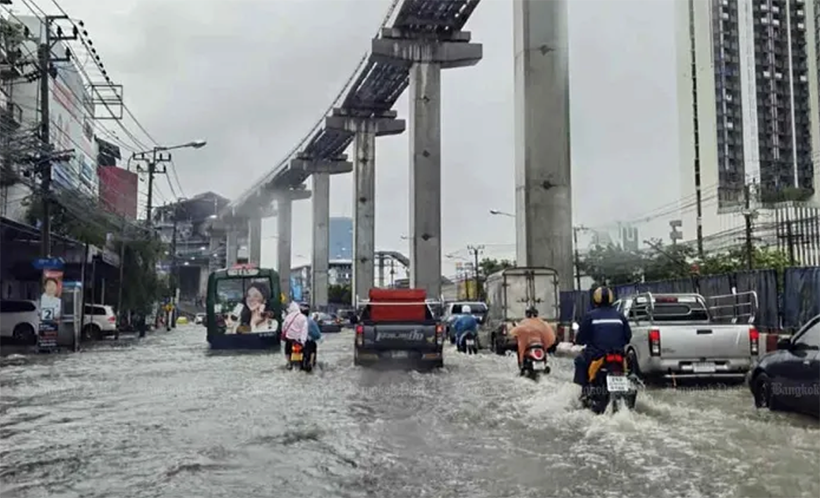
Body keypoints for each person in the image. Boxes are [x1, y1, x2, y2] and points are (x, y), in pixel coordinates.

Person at [573, 286, 632, 391]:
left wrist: (580, 341)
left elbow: (580, 338)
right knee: (630, 369)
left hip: (596, 355)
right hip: (618, 355)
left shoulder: (590, 316)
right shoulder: (620, 316)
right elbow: (628, 337)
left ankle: (583, 392)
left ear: (595, 299)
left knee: (579, 360)